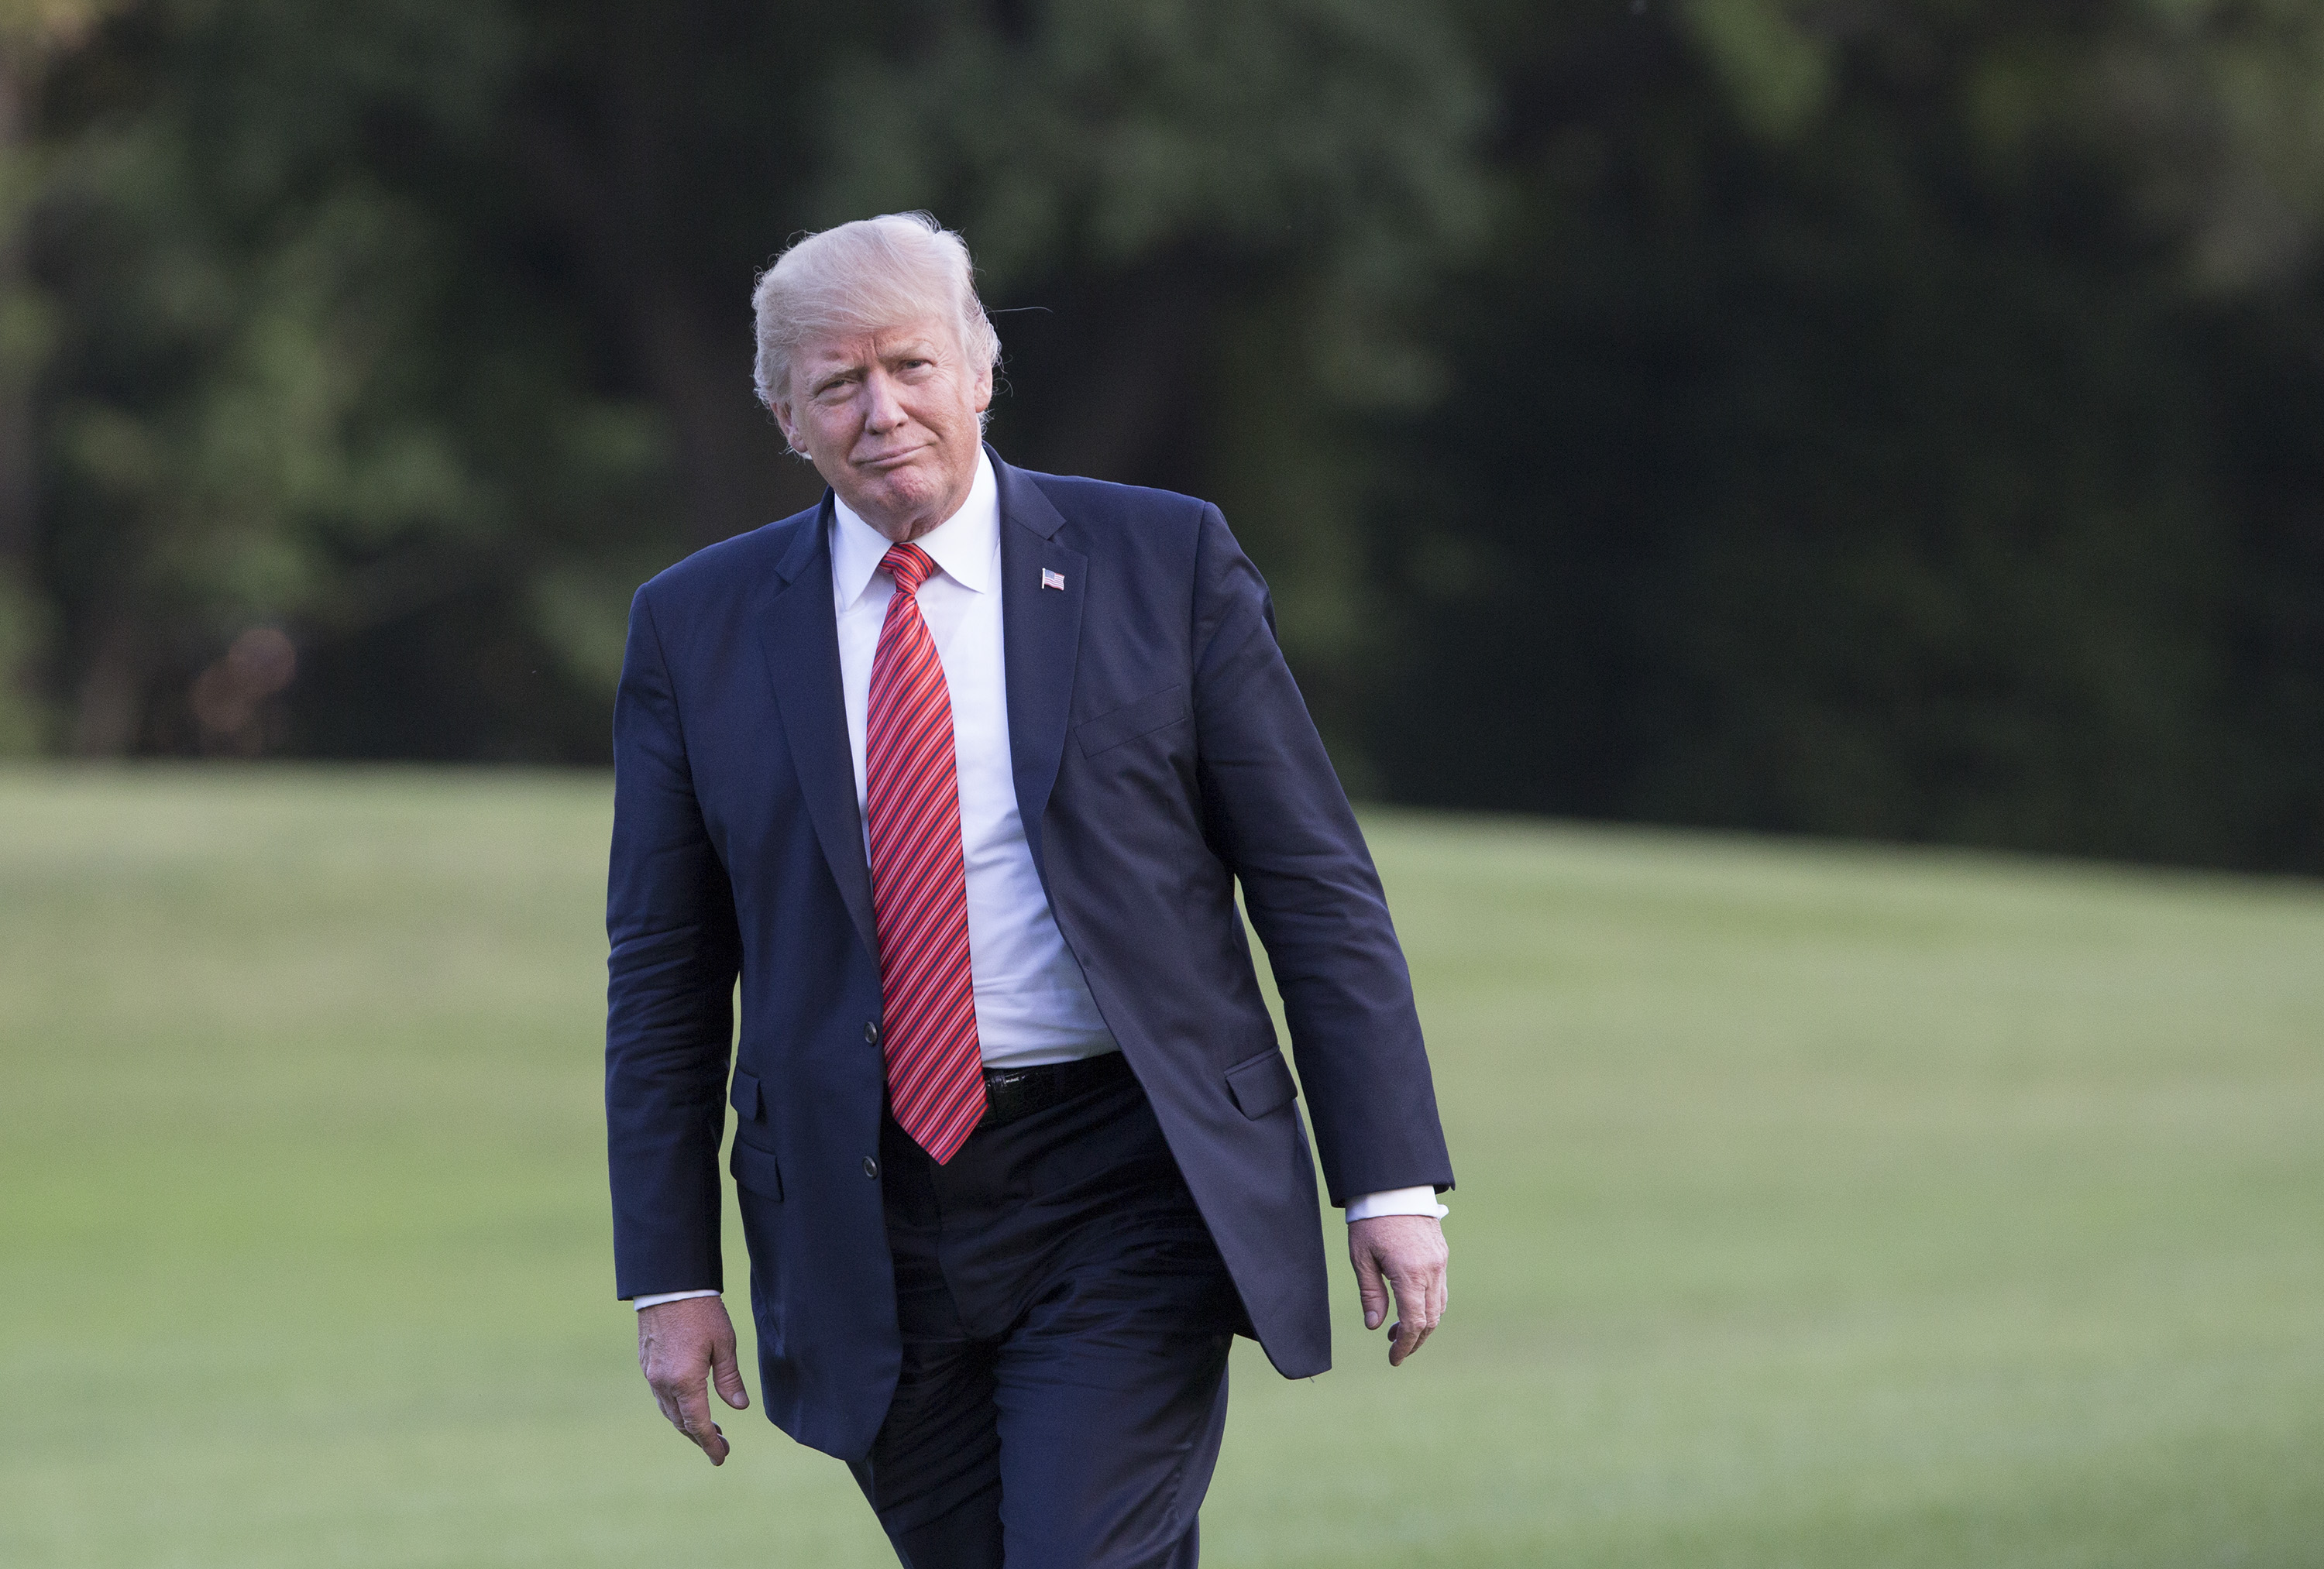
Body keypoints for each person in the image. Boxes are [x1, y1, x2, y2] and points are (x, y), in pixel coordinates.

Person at [605, 211, 1454, 1568]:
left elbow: (1312, 880)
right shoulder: (696, 627)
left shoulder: (1163, 564)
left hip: (1126, 1174)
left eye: (911, 366)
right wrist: (671, 1274)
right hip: (863, 1209)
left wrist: (1390, 1178)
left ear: (982, 368)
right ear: (786, 414)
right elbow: (662, 975)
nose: (882, 412)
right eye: (838, 384)